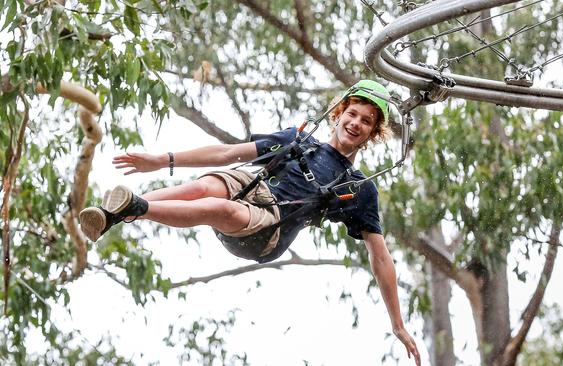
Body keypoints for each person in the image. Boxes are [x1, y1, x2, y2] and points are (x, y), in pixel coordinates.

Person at [79, 79, 421, 365]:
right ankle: (112, 214)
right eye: (352, 114)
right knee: (206, 186)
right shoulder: (297, 140)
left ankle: (136, 208)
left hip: (268, 230)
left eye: (366, 121)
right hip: (254, 191)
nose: (356, 124)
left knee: (221, 208)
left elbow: (380, 257)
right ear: (338, 114)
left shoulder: (358, 188)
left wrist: (398, 323)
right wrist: (162, 160)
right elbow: (227, 153)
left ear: (373, 133)